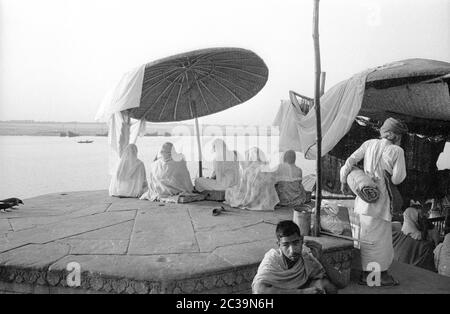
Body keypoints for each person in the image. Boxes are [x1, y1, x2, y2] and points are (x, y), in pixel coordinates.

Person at [340, 117, 408, 286]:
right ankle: (373, 279)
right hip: (381, 202)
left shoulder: (369, 144)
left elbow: (350, 161)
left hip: (364, 199)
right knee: (379, 242)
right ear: (395, 135)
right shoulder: (396, 151)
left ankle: (368, 275)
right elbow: (398, 178)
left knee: (367, 238)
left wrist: (343, 180)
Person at [252, 220, 337, 294]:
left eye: (296, 243)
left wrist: (321, 258)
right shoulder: (273, 259)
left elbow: (341, 283)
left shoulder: (305, 259)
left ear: (301, 241)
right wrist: (301, 293)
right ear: (279, 245)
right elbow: (259, 290)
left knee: (325, 284)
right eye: (286, 245)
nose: (292, 250)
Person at [392, 207, 436, 271]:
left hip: (395, 273)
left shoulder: (397, 237)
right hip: (412, 276)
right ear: (415, 219)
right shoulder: (425, 246)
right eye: (419, 217)